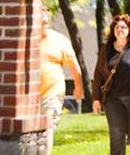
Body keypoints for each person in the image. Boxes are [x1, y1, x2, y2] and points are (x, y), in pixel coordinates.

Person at [92, 14, 130, 155]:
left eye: (123, 27)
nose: (120, 29)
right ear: (113, 30)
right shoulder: (106, 50)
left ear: (129, 30)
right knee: (117, 138)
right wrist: (96, 98)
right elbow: (98, 75)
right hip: (113, 101)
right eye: (117, 27)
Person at [39, 8, 85, 154]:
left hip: (52, 92)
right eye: (40, 22)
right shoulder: (27, 39)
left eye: (45, 22)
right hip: (29, 96)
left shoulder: (59, 40)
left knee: (47, 127)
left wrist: (78, 87)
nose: (43, 26)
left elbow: (74, 66)